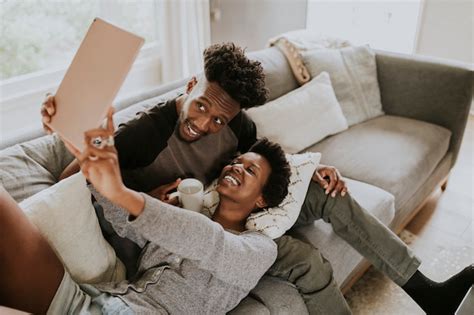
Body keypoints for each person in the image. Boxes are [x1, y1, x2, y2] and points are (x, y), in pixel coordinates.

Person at [40, 43, 473, 314]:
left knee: (327, 190)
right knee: (307, 263)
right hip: (192, 225)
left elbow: (264, 155)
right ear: (191, 85)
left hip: (234, 203)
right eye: (201, 106)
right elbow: (79, 179)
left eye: (220, 118)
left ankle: (425, 290)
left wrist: (308, 167)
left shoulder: (235, 123)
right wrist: (74, 133)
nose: (206, 123)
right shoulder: (144, 132)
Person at [0, 109, 292, 314]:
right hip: (91, 299)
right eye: (238, 161)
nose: (236, 167)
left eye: (250, 170)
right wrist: (93, 145)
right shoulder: (183, 214)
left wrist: (129, 196)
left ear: (262, 200)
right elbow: (110, 211)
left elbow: (210, 244)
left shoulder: (259, 248)